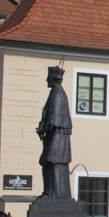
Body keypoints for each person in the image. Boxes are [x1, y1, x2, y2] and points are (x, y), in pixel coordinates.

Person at [37, 66, 73, 198]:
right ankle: (50, 192)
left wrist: (44, 128)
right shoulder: (56, 92)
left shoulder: (57, 93)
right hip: (55, 134)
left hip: (57, 136)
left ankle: (54, 193)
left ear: (53, 78)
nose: (47, 79)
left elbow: (54, 118)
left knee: (52, 162)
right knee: (48, 162)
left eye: (48, 77)